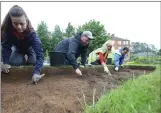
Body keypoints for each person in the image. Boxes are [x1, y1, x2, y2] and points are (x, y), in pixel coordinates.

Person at [1, 5, 44, 84]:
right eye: (15, 24)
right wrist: (5, 63)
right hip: (18, 49)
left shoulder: (32, 34)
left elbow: (40, 54)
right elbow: (6, 47)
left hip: (30, 48)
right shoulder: (8, 31)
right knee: (15, 62)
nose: (19, 27)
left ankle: (28, 58)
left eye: (22, 24)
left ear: (26, 22)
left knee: (33, 62)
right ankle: (22, 58)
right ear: (11, 22)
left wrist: (37, 72)